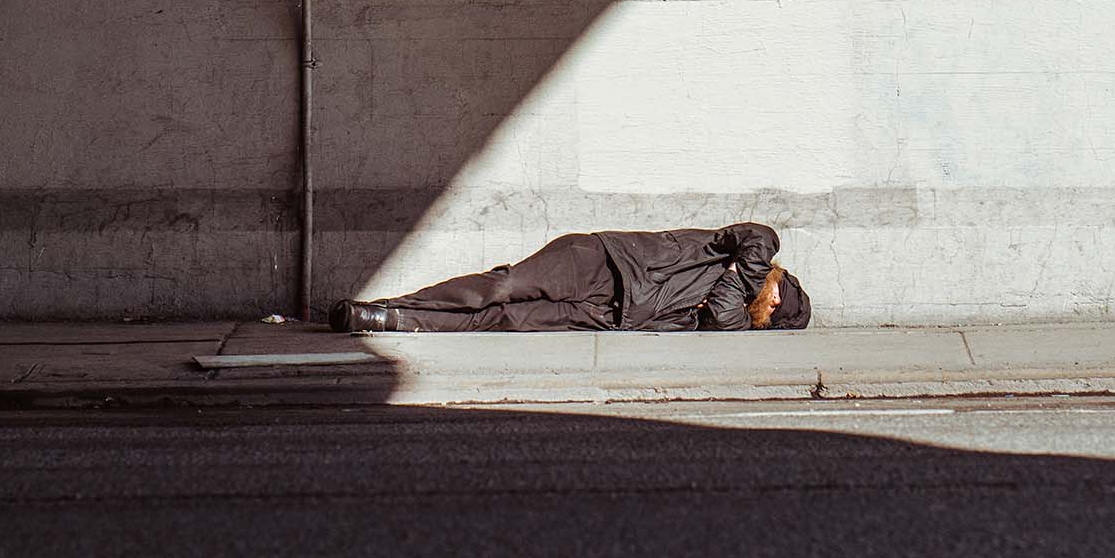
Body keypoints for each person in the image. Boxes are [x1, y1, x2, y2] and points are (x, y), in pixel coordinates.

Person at [328, 222, 810, 333]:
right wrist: (741, 277)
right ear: (775, 282)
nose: (766, 309)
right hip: (602, 262)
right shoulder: (755, 251)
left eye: (773, 315)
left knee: (504, 321)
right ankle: (393, 302)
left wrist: (731, 286)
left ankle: (386, 322)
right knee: (502, 287)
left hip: (605, 316)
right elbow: (761, 234)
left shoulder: (737, 316)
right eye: (774, 299)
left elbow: (726, 314)